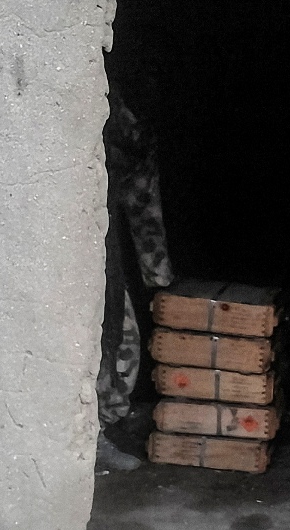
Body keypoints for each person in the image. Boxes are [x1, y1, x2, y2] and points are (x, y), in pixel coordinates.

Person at [95, 86, 173, 470]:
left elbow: (143, 199)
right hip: (60, 252)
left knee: (120, 340)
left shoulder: (128, 126)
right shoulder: (95, 110)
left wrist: (157, 276)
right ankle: (88, 437)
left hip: (102, 249)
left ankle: (98, 429)